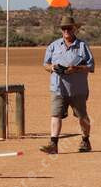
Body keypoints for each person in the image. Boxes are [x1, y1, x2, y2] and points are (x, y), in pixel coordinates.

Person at [40, 16, 95, 154]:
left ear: (74, 29)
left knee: (82, 117)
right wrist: (53, 67)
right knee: (55, 115)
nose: (66, 30)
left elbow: (91, 66)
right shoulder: (53, 46)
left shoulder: (82, 46)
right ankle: (53, 144)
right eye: (64, 28)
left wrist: (75, 68)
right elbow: (45, 64)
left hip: (78, 89)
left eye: (69, 28)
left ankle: (85, 140)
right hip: (58, 88)